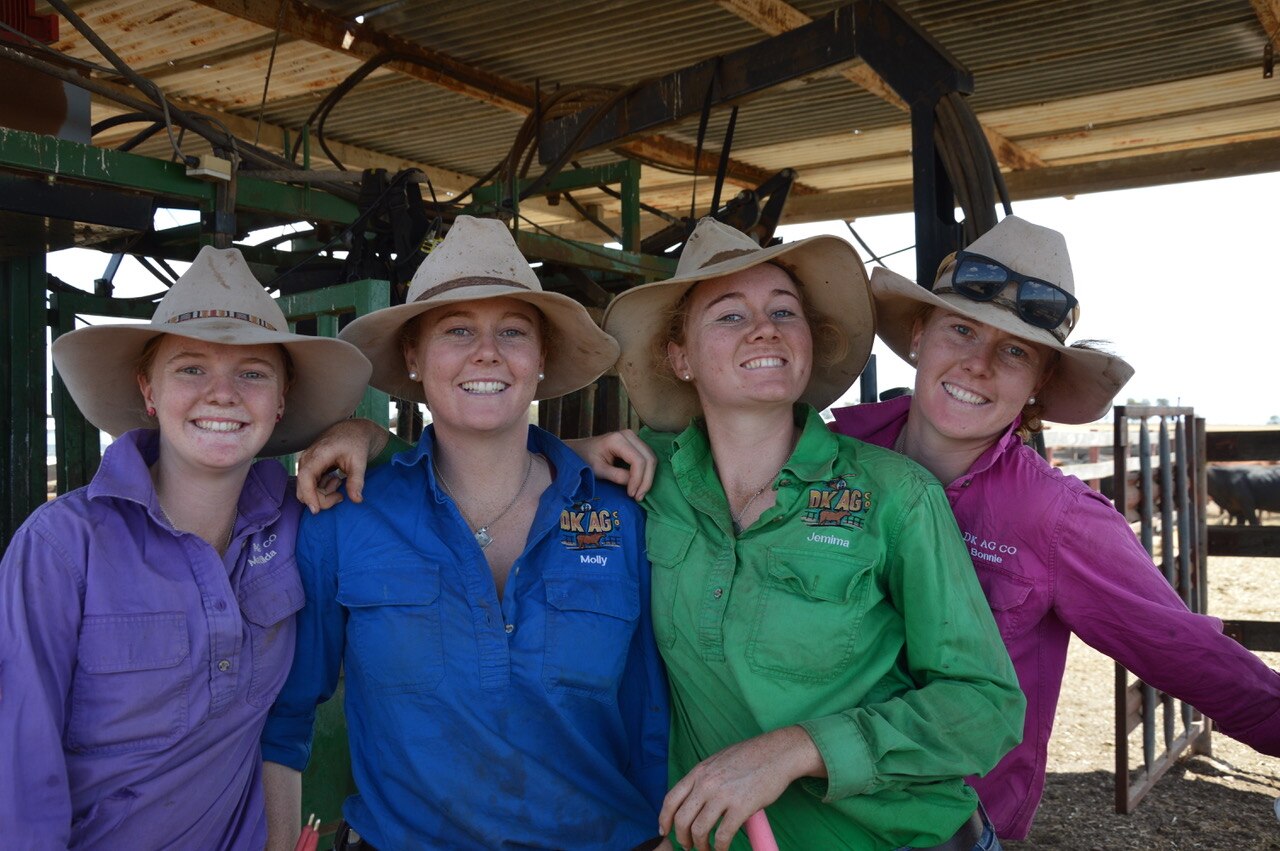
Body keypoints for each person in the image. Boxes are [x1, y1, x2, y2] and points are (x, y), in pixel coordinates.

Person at [295, 219, 1026, 851]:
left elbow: (989, 705)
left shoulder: (888, 495)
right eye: (731, 316)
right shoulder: (650, 487)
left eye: (783, 311)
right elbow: (489, 463)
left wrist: (797, 749)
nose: (765, 328)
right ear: (679, 357)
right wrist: (369, 439)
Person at [828, 215, 1280, 839]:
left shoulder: (1056, 519)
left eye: (1015, 351)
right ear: (919, 333)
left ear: (1040, 383)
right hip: (804, 802)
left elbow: (1186, 651)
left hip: (947, 826)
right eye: (961, 329)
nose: (978, 363)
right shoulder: (824, 456)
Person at [260, 216, 669, 850]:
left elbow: (655, 717)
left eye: (513, 332)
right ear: (414, 358)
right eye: (457, 331)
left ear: (540, 360)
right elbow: (284, 717)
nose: (487, 352)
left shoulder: (622, 514)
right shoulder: (348, 516)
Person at [0, 247, 372, 848]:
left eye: (252, 372)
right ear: (148, 390)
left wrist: (367, 434)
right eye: (191, 368)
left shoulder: (300, 521)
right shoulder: (62, 547)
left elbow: (439, 486)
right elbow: (18, 768)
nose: (222, 394)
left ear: (281, 401)